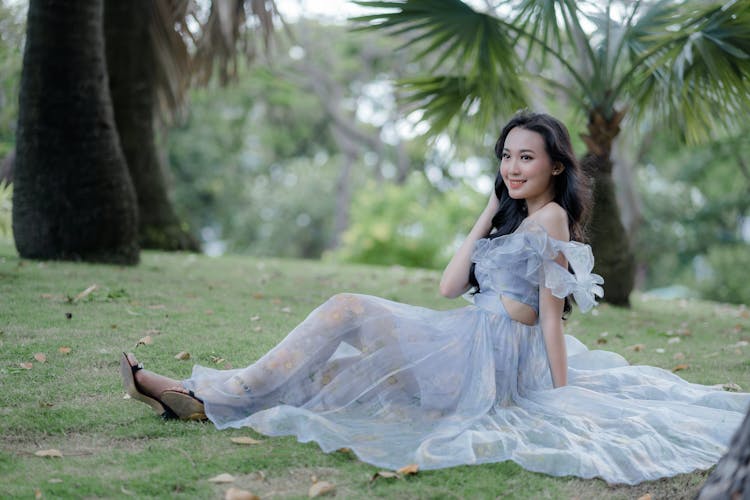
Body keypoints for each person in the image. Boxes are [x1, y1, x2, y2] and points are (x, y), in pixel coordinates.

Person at [121, 111, 749, 485]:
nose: (512, 166)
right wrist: (486, 211)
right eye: (506, 156)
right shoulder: (513, 217)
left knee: (347, 307)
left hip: (487, 358)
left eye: (526, 157)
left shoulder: (552, 219)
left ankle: (211, 394)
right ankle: (203, 403)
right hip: (462, 341)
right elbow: (449, 287)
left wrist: (563, 397)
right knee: (342, 377)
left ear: (557, 165)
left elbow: (550, 319)